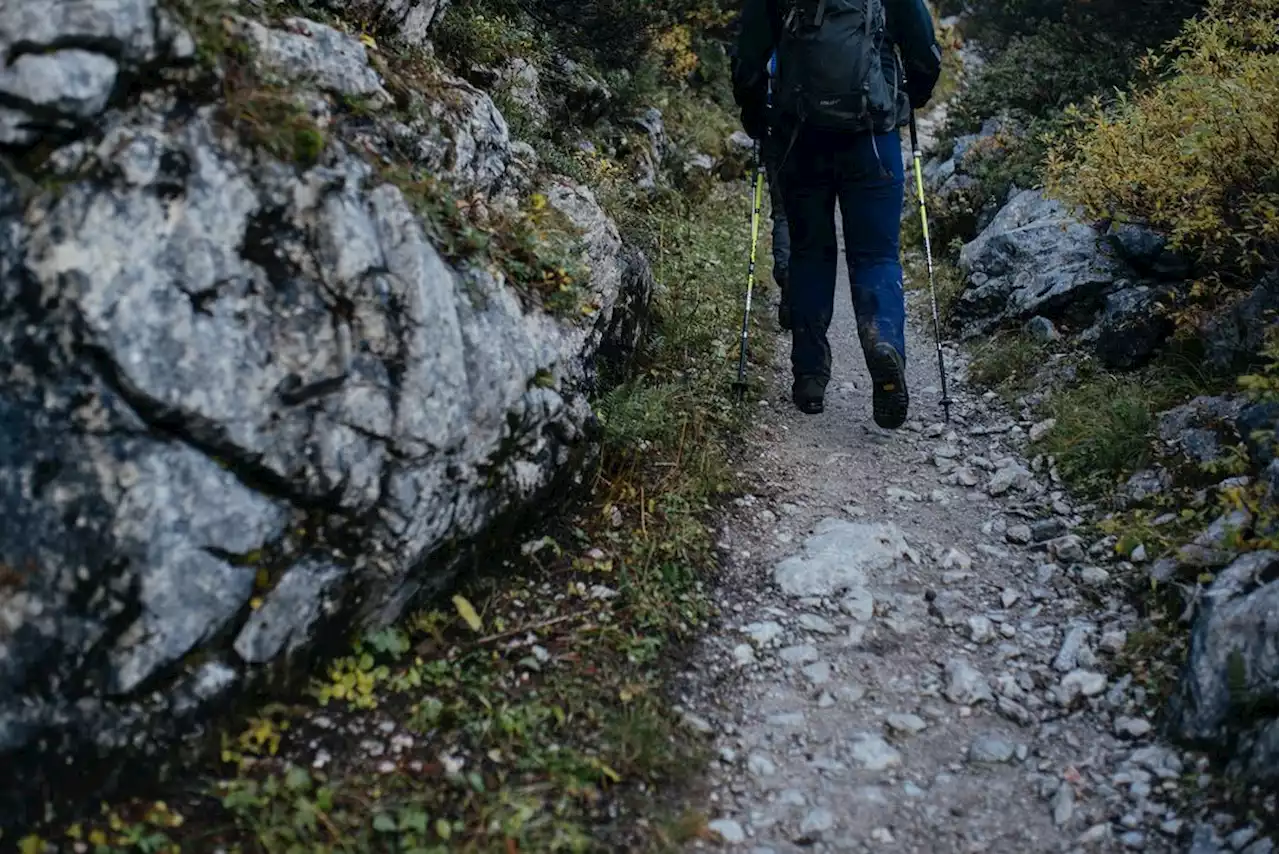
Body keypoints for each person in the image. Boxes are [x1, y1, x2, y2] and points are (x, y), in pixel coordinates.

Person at [733, 0, 942, 429]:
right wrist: (911, 95)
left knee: (810, 253)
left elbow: (749, 58)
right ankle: (883, 343)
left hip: (800, 137)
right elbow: (923, 47)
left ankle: (810, 376)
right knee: (877, 256)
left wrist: (755, 115)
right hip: (872, 137)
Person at [763, 50, 792, 331]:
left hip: (779, 130)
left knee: (784, 212)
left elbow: (753, 66)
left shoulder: (780, 9)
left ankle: (787, 277)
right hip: (829, 131)